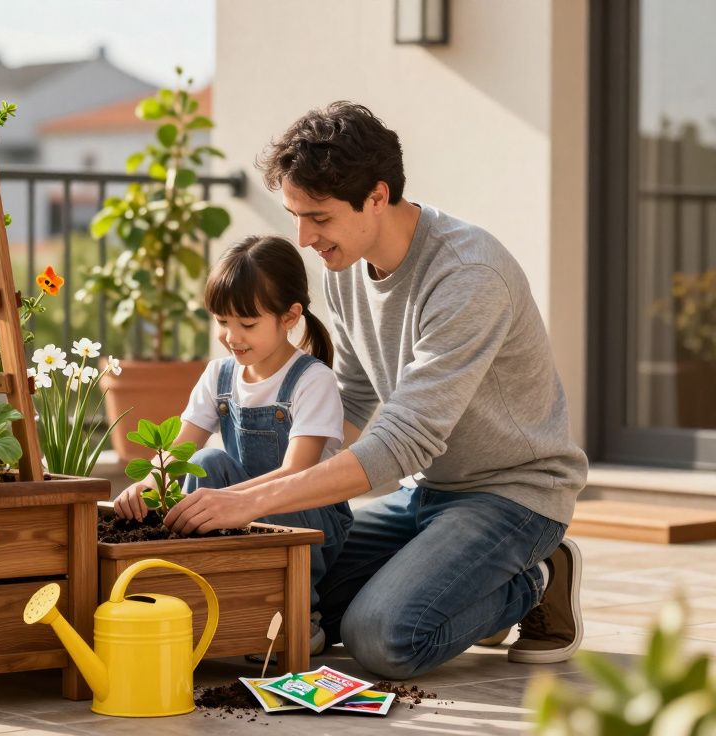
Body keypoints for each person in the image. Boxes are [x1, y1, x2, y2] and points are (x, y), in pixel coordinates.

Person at [160, 101, 589, 679]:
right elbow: (356, 396)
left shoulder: (467, 276)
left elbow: (406, 439)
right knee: (308, 600)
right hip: (428, 490)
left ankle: (537, 576)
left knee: (383, 637)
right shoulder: (348, 268)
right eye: (294, 216)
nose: (304, 237)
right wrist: (289, 483)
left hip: (512, 494)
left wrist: (253, 500)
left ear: (378, 197)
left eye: (319, 217)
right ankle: (467, 581)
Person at [113, 234, 355, 655]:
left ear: (289, 316)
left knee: (254, 484)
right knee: (206, 459)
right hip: (242, 511)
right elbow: (181, 448)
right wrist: (148, 483)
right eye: (223, 322)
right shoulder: (219, 375)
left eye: (247, 324)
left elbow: (298, 474)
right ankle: (217, 591)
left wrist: (224, 501)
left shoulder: (311, 379)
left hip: (311, 520)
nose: (231, 336)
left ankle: (302, 610)